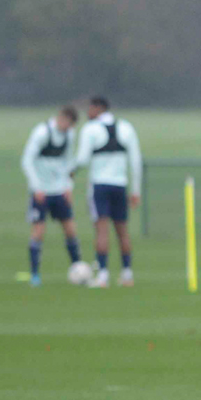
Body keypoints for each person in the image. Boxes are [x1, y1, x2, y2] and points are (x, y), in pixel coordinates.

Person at [74, 96, 143, 288]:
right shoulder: (127, 128)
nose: (88, 112)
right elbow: (136, 161)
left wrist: (69, 172)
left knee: (102, 230)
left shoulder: (90, 129)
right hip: (120, 185)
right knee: (122, 231)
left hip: (100, 185)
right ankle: (127, 275)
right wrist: (136, 190)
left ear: (98, 108)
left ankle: (102, 276)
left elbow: (82, 159)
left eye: (90, 108)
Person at [20, 105, 87, 286]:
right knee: (38, 232)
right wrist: (36, 188)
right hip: (41, 191)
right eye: (69, 124)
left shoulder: (69, 135)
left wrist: (68, 187)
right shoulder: (42, 133)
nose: (69, 129)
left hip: (59, 190)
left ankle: (77, 268)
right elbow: (27, 160)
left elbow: (68, 162)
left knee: (70, 229)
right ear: (62, 118)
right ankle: (35, 275)